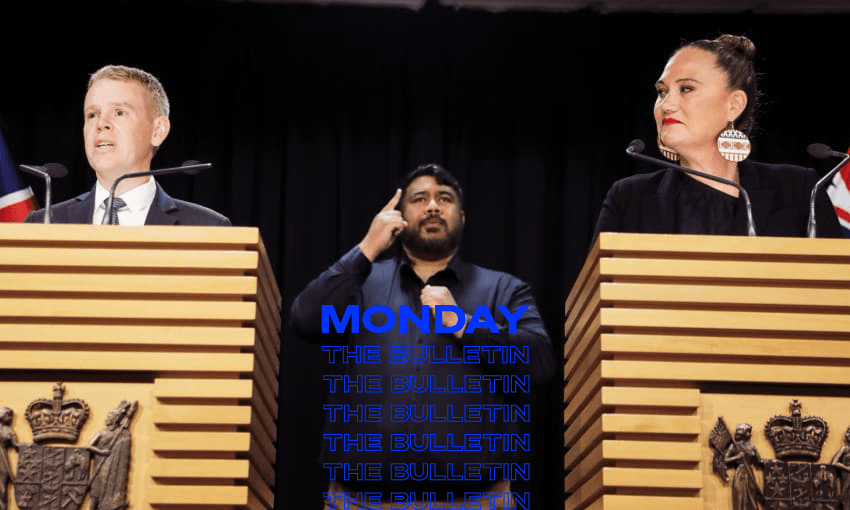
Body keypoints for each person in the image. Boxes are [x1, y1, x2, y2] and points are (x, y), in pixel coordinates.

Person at [290, 164, 555, 509]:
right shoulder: (357, 286)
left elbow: (541, 365)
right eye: (419, 199)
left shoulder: (504, 289)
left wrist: (465, 325)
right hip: (359, 500)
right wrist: (367, 248)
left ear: (462, 217)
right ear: (398, 217)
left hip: (477, 500)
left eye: (444, 199)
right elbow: (304, 320)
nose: (432, 206)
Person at [593, 34, 842, 238]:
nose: (666, 104)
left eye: (686, 89)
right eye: (661, 91)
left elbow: (838, 290)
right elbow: (598, 294)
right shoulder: (629, 198)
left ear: (733, 105)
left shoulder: (799, 191)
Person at [26, 65, 230, 226]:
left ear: (157, 131)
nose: (101, 123)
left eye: (119, 112)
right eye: (92, 115)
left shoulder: (205, 226)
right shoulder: (43, 223)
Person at [723, 423, 763, 510]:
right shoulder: (734, 446)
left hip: (750, 472)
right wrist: (737, 457)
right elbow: (725, 460)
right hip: (740, 473)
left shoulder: (752, 446)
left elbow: (759, 461)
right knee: (740, 495)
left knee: (752, 495)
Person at [0, 407, 17, 510]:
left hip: (2, 455)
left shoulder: (8, 429)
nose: (10, 418)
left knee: (3, 477)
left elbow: (16, 445)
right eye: (8, 415)